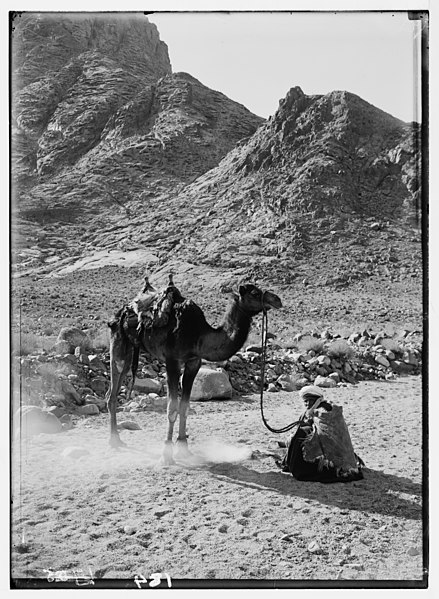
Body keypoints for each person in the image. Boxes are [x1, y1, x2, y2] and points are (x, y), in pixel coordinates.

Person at [279, 385, 364, 483]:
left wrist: (307, 427)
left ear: (316, 399)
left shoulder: (325, 411)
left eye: (309, 400)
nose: (306, 404)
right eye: (305, 401)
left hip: (329, 457)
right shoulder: (312, 412)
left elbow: (326, 433)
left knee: (302, 433)